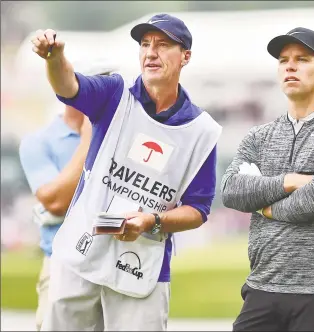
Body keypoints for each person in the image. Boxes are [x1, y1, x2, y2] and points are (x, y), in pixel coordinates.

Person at [31, 13, 222, 331]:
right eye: (145, 44)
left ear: (185, 56)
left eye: (163, 45)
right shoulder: (114, 94)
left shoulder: (202, 131)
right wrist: (55, 58)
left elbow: (198, 210)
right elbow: (69, 86)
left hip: (142, 267)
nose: (151, 52)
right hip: (79, 254)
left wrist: (153, 221)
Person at [221, 27, 314, 331]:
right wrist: (289, 181)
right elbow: (232, 191)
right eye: (284, 60)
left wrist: (266, 208)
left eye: (301, 59)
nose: (290, 65)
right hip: (263, 283)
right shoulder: (258, 137)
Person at [19, 65, 116, 331]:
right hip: (63, 264)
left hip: (115, 264)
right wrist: (91, 135)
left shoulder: (121, 137)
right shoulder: (39, 141)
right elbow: (56, 201)